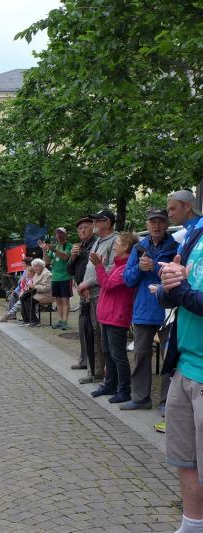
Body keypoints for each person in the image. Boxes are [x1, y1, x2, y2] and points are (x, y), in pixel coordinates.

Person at [156, 207, 203, 533]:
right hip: (184, 365)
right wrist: (167, 284)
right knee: (184, 458)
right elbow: (168, 297)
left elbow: (186, 293)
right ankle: (191, 524)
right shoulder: (196, 236)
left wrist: (180, 289)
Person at [122, 208, 178, 411]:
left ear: (166, 224)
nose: (157, 225)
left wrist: (155, 267)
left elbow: (179, 277)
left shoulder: (176, 247)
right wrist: (139, 268)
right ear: (147, 225)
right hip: (143, 311)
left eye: (161, 221)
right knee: (140, 356)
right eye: (153, 222)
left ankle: (167, 403)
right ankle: (140, 398)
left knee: (169, 359)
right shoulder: (138, 248)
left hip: (167, 312)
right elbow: (127, 280)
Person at [89, 232, 139, 404]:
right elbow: (106, 282)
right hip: (108, 316)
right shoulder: (118, 266)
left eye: (117, 243)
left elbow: (108, 284)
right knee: (108, 353)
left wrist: (98, 266)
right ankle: (110, 384)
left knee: (118, 355)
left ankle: (124, 390)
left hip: (117, 317)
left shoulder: (126, 268)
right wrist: (101, 267)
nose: (115, 246)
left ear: (125, 247)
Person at [77, 209, 118, 384]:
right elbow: (91, 267)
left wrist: (87, 283)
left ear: (107, 223)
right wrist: (85, 285)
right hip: (90, 294)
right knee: (92, 333)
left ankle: (107, 375)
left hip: (102, 294)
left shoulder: (115, 241)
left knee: (102, 336)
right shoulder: (98, 241)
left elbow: (111, 269)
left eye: (97, 221)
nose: (93, 224)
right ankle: (95, 371)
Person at [67, 216, 98, 372]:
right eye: (80, 229)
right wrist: (73, 257)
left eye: (86, 227)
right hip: (82, 292)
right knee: (83, 327)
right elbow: (69, 270)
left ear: (93, 228)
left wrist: (88, 284)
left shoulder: (96, 245)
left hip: (94, 291)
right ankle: (84, 360)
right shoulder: (80, 246)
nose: (83, 231)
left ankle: (95, 365)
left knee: (93, 329)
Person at [40, 228, 73, 330]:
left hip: (66, 277)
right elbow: (47, 261)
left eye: (61, 233)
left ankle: (65, 322)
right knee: (58, 300)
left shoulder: (68, 245)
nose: (58, 235)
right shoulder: (55, 246)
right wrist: (44, 250)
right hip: (55, 278)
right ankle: (60, 320)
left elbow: (65, 257)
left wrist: (53, 249)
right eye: (57, 233)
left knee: (65, 300)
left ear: (65, 235)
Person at [19, 258, 53, 327]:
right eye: (34, 266)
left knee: (28, 300)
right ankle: (26, 320)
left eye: (37, 266)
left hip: (47, 294)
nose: (35, 268)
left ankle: (34, 321)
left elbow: (47, 288)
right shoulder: (37, 273)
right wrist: (25, 290)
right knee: (23, 297)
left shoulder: (46, 274)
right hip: (38, 293)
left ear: (42, 266)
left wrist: (34, 287)